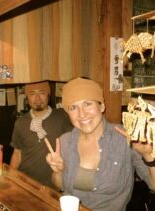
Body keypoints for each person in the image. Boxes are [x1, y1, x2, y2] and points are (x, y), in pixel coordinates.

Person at [46, 77, 155, 211]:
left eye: (87, 104)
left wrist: (148, 155)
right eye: (73, 108)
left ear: (102, 106)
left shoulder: (126, 137)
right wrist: (58, 172)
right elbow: (60, 187)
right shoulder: (65, 141)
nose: (82, 114)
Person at [10, 81, 73, 188]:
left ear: (48, 94)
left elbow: (75, 143)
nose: (37, 98)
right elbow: (17, 153)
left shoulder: (62, 117)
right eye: (32, 94)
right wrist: (10, 177)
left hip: (53, 185)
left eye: (42, 93)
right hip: (25, 182)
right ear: (27, 97)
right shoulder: (21, 122)